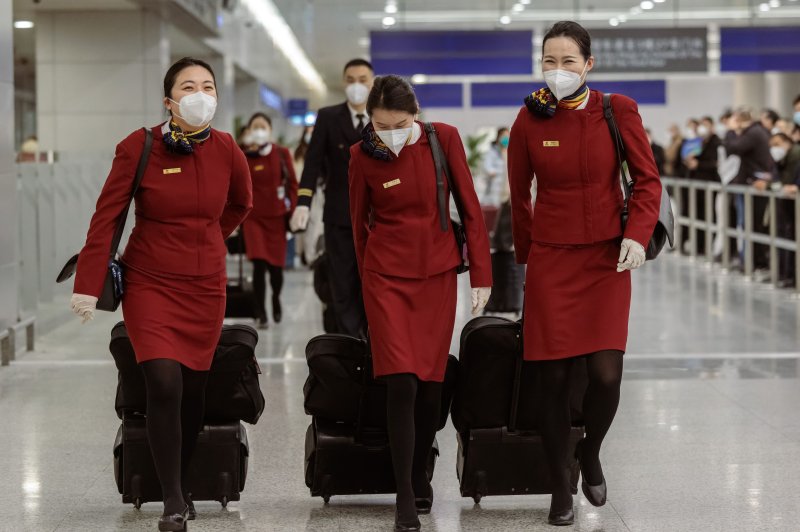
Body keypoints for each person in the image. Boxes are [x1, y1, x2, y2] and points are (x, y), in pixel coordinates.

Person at [69, 57, 252, 531]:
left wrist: (210, 238)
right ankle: (172, 496)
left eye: (208, 86)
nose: (200, 94)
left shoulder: (228, 148)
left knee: (193, 391)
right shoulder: (141, 146)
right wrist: (88, 283)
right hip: (151, 281)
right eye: (188, 86)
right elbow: (107, 216)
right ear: (169, 100)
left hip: (205, 287)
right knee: (164, 385)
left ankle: (182, 480)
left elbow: (240, 204)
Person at [508, 21, 661, 526]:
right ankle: (558, 485)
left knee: (605, 373)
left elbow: (646, 179)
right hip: (553, 259)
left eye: (568, 61)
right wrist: (526, 259)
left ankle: (590, 450)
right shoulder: (528, 121)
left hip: (605, 258)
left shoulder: (617, 111)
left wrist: (637, 234)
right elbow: (519, 195)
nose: (558, 71)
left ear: (588, 65)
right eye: (549, 62)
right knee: (550, 379)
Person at [349, 75, 492, 531]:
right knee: (402, 382)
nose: (388, 134)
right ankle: (405, 493)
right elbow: (357, 226)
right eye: (378, 125)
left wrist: (482, 277)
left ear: (416, 114)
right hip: (385, 278)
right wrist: (364, 286)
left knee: (430, 386)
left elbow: (470, 208)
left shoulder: (442, 139)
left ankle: (421, 465)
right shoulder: (359, 155)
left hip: (436, 275)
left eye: (398, 123)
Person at [290, 58, 375, 338]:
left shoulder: (382, 116)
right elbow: (312, 163)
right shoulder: (328, 117)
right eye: (350, 80)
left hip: (377, 217)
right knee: (342, 282)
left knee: (373, 280)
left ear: (372, 81)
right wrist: (303, 201)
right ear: (343, 82)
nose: (356, 86)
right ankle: (349, 343)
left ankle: (372, 341)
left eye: (363, 79)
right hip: (339, 215)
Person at [240, 112, 297, 328]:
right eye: (255, 126)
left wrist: (292, 210)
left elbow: (292, 183)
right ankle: (260, 311)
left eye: (263, 126)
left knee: (275, 269)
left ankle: (275, 298)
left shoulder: (281, 154)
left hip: (277, 218)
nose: (259, 130)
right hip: (253, 219)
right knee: (259, 265)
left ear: (270, 130)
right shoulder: (244, 156)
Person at [724, 107, 774, 272]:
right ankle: (749, 261)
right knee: (747, 225)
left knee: (752, 225)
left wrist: (731, 131)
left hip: (754, 184)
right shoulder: (754, 132)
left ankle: (753, 262)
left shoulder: (753, 133)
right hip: (747, 183)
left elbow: (733, 148)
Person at [684, 116, 721, 256]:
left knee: (709, 215)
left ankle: (707, 246)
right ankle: (699, 245)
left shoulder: (716, 142)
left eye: (706, 125)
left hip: (709, 183)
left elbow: (715, 163)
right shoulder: (698, 142)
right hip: (696, 183)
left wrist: (698, 164)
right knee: (698, 215)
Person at [770, 132, 800, 287]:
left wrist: (795, 186)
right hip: (786, 201)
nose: (774, 149)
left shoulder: (795, 154)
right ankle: (786, 274)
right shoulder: (781, 158)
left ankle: (790, 275)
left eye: (777, 144)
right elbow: (776, 177)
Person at [293, 125, 325, 266]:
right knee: (301, 226)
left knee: (315, 224)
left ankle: (312, 256)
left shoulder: (323, 151)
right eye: (308, 132)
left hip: (317, 193)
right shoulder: (298, 153)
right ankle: (303, 254)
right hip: (300, 193)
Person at [480, 126, 509, 206]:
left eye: (508, 136)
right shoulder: (492, 152)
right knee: (495, 211)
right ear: (498, 137)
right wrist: (494, 173)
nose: (506, 138)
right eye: (504, 136)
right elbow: (487, 167)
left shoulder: (509, 151)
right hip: (496, 188)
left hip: (507, 189)